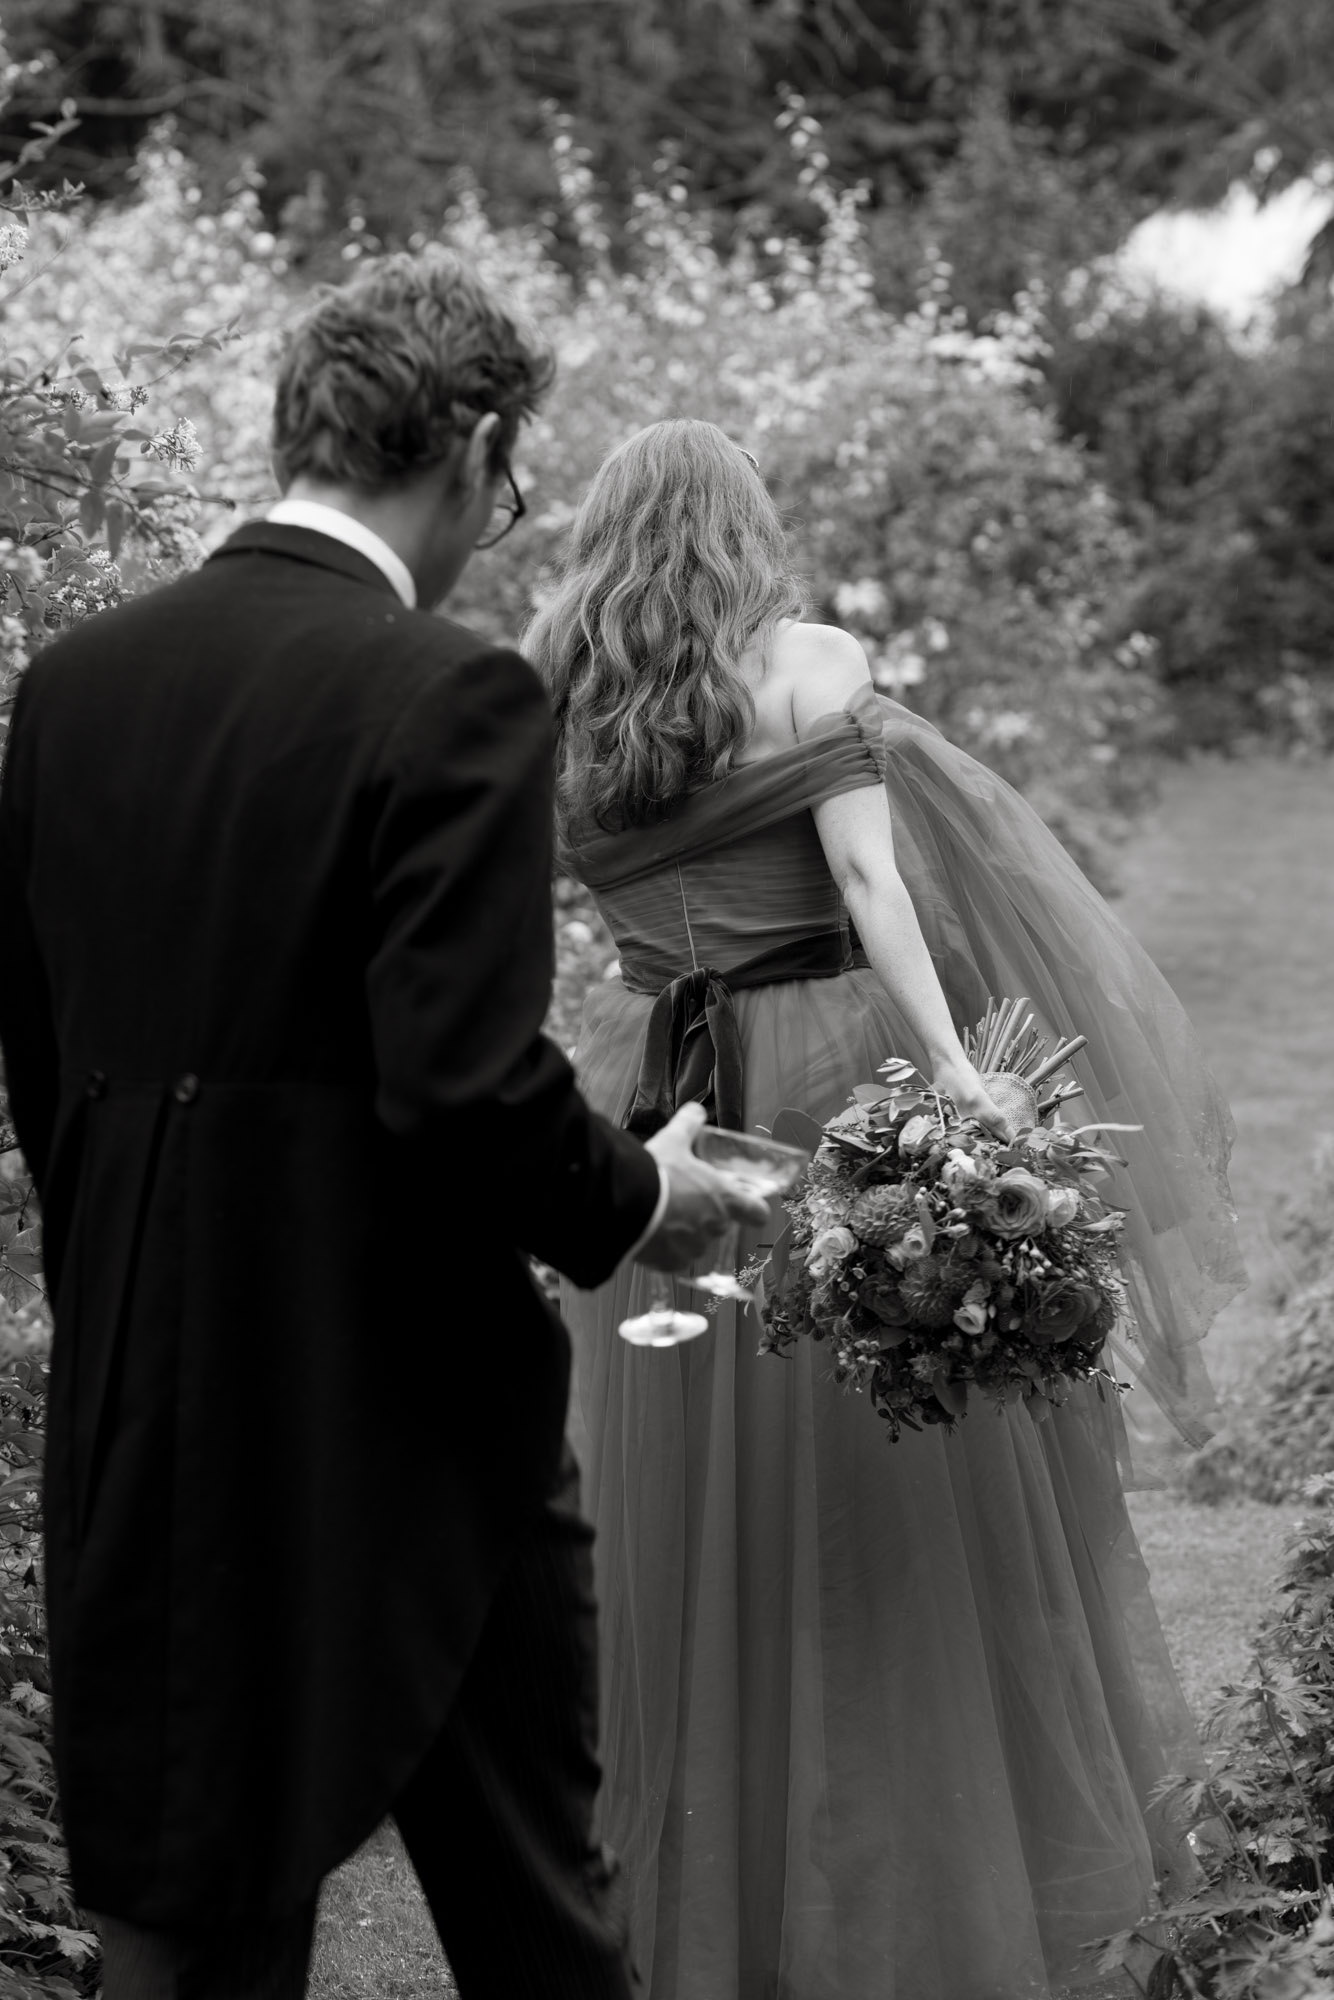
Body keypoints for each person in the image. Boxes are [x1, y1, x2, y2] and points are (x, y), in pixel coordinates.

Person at [0, 262, 768, 1999]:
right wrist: (640, 1193)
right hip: (414, 1411)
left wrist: (141, 1277)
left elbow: (44, 1063)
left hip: (149, 1401)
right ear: (475, 448)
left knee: (195, 1909)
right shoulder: (447, 694)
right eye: (509, 485)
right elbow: (461, 1085)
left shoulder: (78, 684)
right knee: (534, 1906)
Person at [525, 417, 1246, 2000]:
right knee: (890, 1464)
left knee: (691, 1469)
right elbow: (867, 885)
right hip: (823, 1077)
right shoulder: (808, 665)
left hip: (661, 1104)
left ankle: (710, 1884)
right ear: (741, 527)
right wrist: (960, 1078)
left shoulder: (556, 693)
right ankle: (925, 1838)